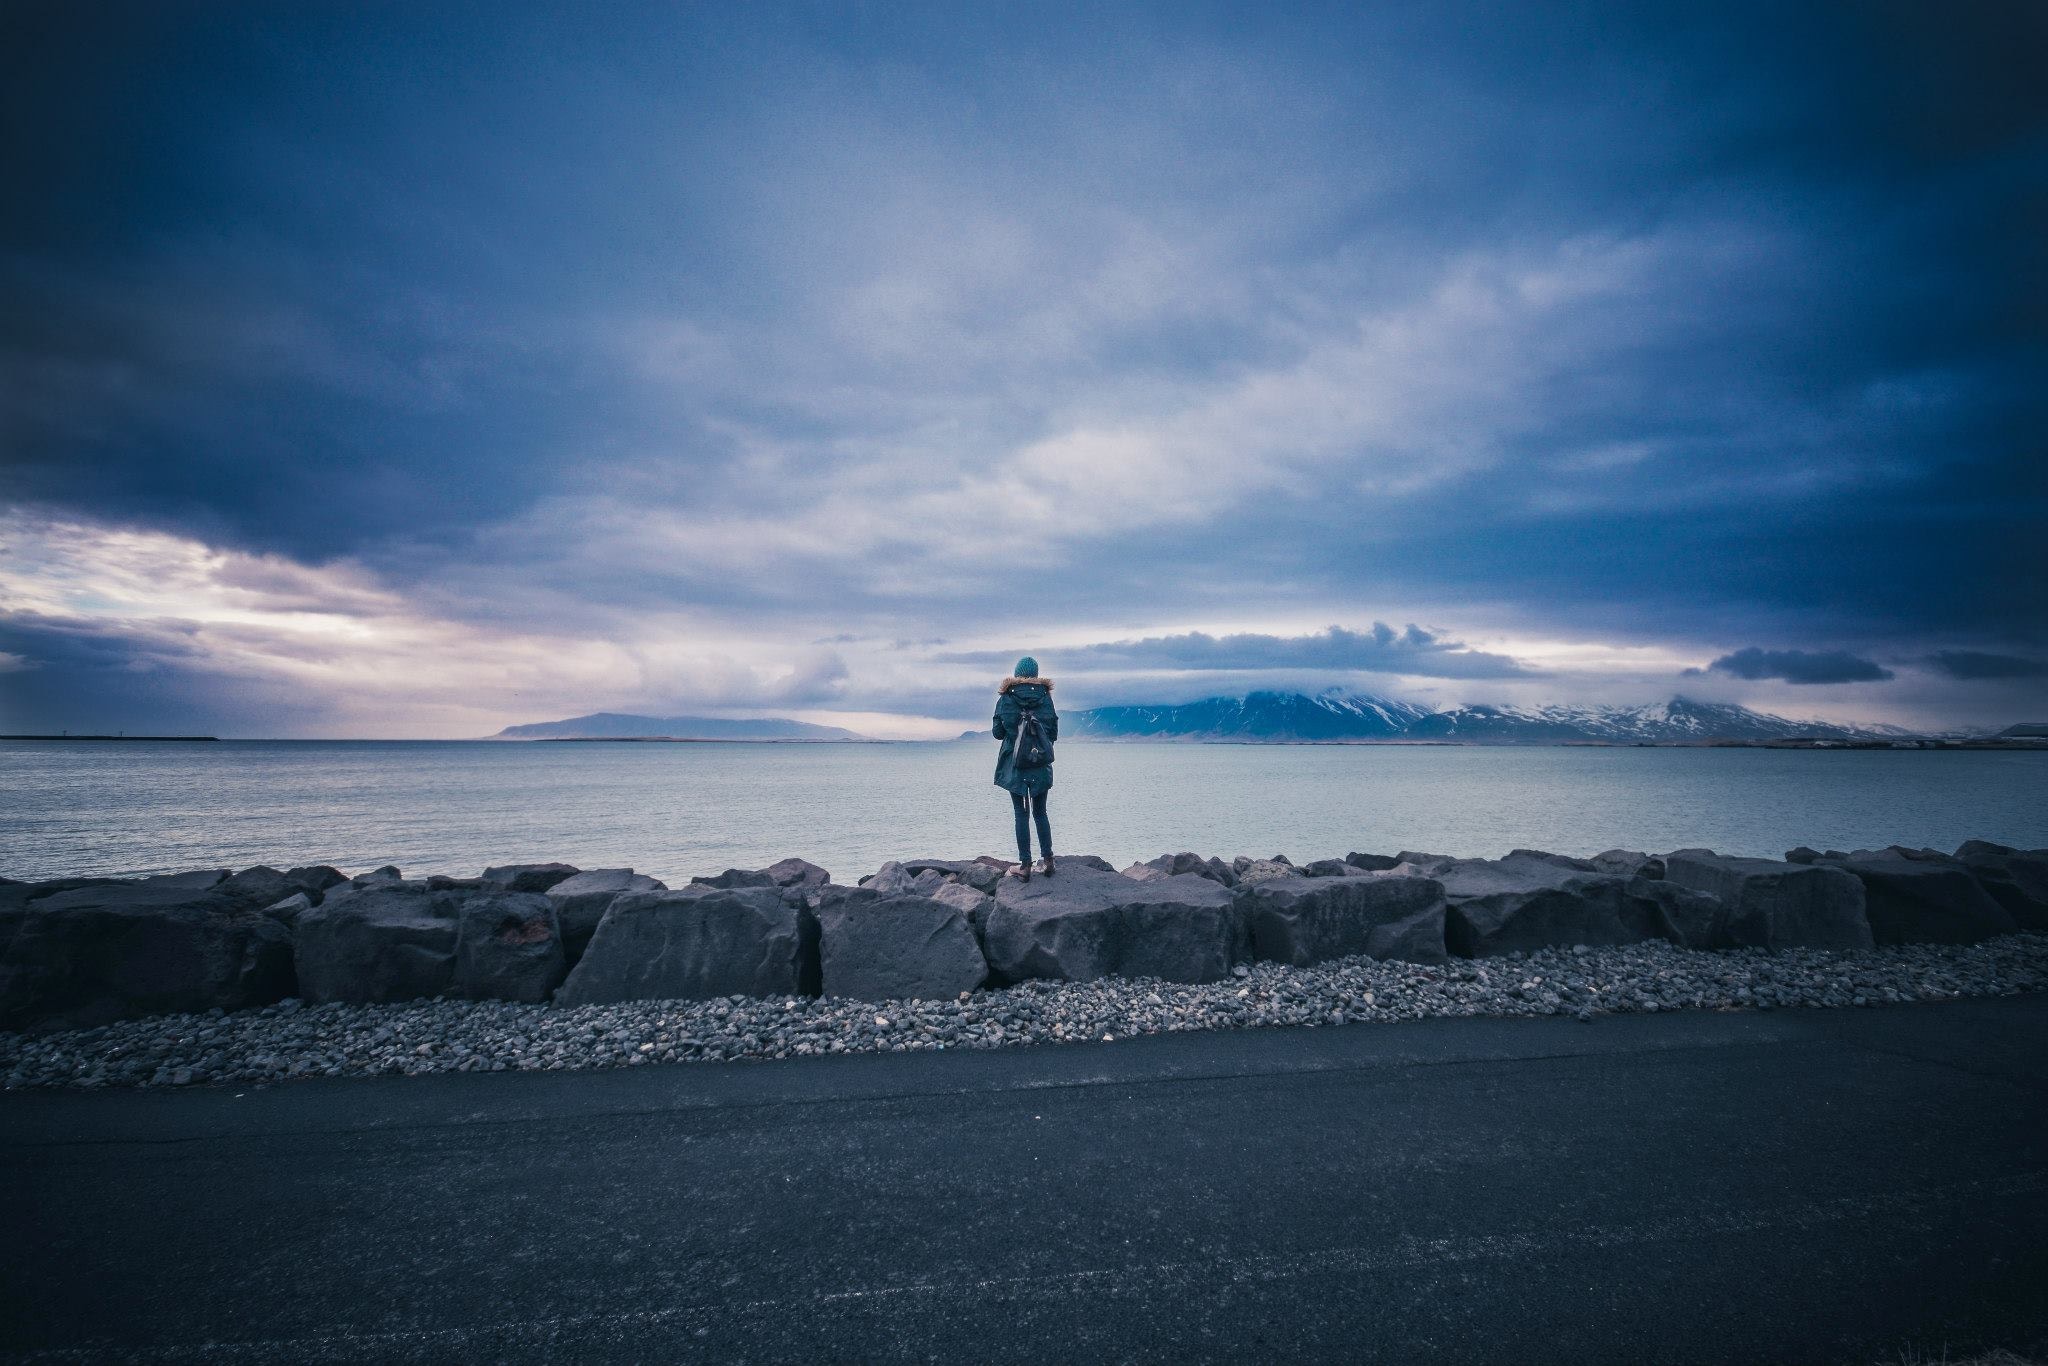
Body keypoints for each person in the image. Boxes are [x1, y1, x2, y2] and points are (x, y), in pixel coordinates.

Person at [992, 656, 1057, 880]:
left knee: (1021, 813)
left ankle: (1026, 866)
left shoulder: (1006, 698)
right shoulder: (1046, 698)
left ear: (1017, 674)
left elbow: (998, 733)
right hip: (1039, 764)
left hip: (1015, 767)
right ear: (1036, 675)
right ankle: (1048, 861)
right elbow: (1053, 733)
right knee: (1040, 812)